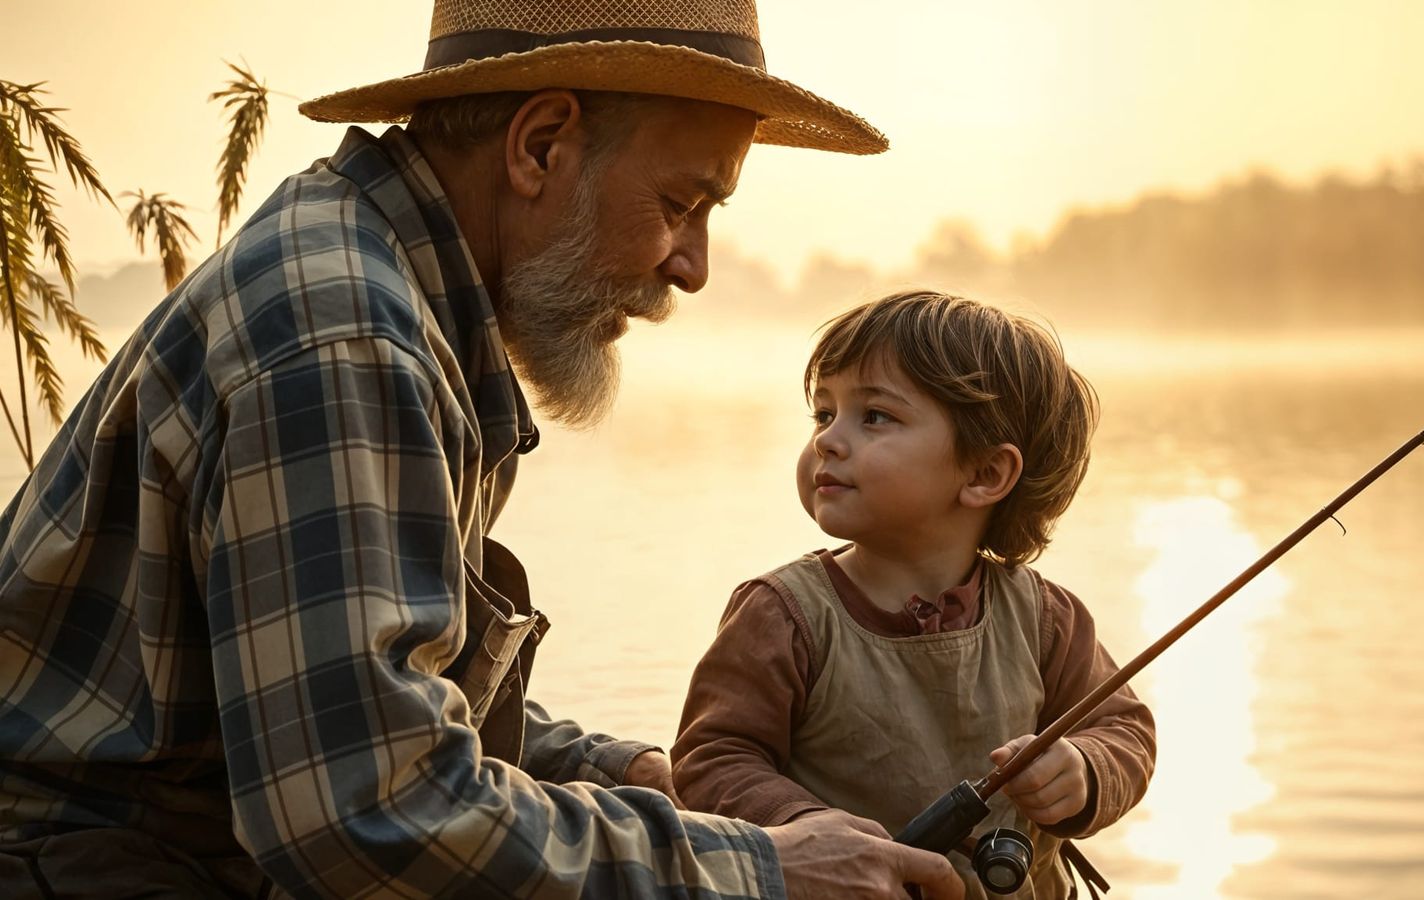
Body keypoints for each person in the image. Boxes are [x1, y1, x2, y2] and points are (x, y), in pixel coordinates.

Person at [0, 2, 966, 897]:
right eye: (682, 203)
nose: (693, 267)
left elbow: (352, 690)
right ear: (539, 145)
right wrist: (760, 871)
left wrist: (626, 774)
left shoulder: (385, 284)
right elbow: (373, 809)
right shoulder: (347, 338)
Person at [671, 291, 1158, 898]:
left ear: (984, 475)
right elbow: (711, 760)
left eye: (873, 416)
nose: (828, 440)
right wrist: (803, 824)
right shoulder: (782, 614)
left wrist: (1083, 772)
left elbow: (1123, 728)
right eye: (824, 415)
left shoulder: (1044, 619)